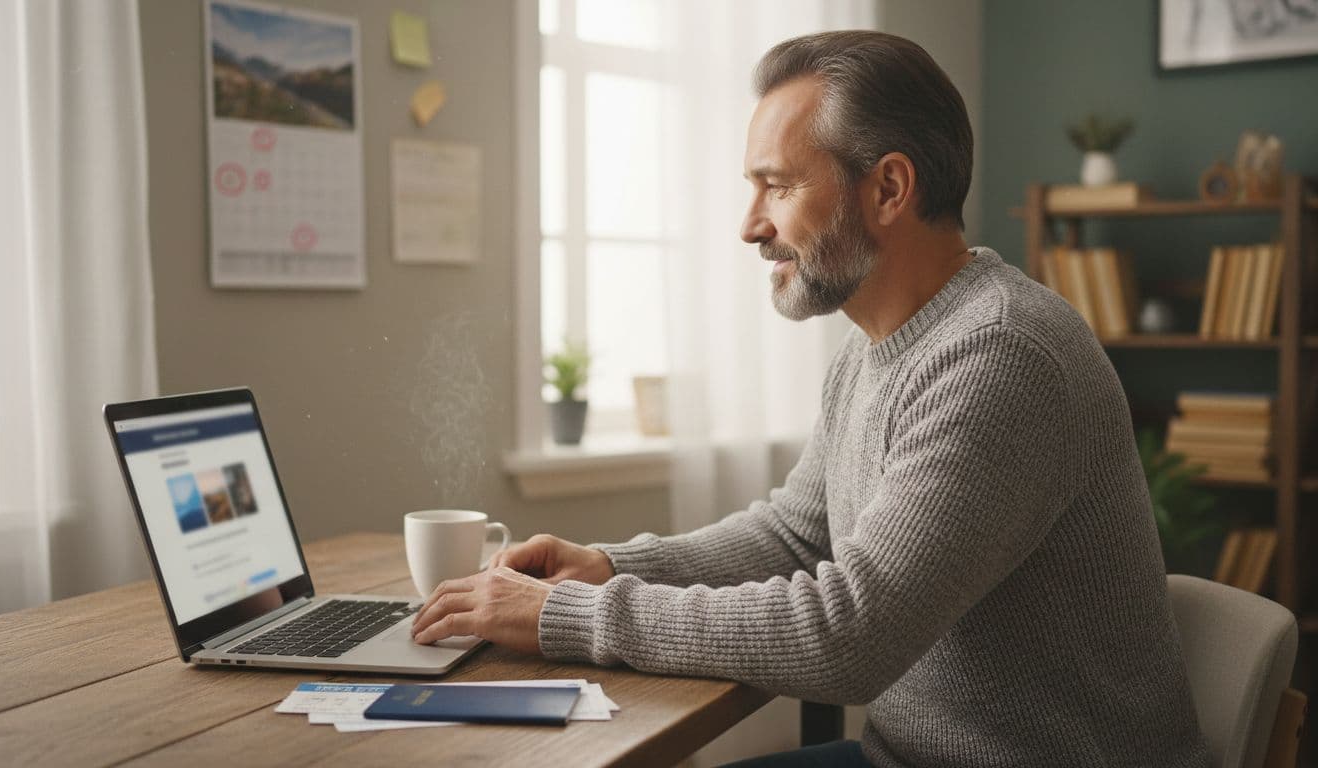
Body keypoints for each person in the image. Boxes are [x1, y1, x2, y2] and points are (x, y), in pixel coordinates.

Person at [412, 30, 1210, 767]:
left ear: (889, 187)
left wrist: (569, 619)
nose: (750, 226)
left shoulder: (1000, 356)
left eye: (778, 186)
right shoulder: (877, 350)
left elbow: (848, 635)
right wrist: (610, 566)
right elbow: (801, 537)